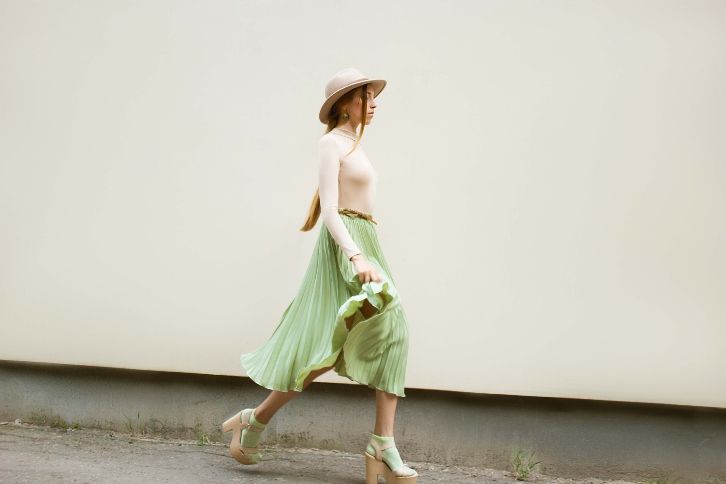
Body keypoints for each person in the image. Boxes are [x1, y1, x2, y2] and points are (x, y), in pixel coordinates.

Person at [222, 67, 418, 482]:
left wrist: (366, 249)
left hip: (365, 238)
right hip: (345, 248)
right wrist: (355, 257)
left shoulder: (357, 145)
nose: (375, 103)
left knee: (380, 333)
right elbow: (330, 209)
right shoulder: (331, 144)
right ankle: (256, 421)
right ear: (347, 102)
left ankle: (377, 442)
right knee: (329, 342)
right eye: (367, 96)